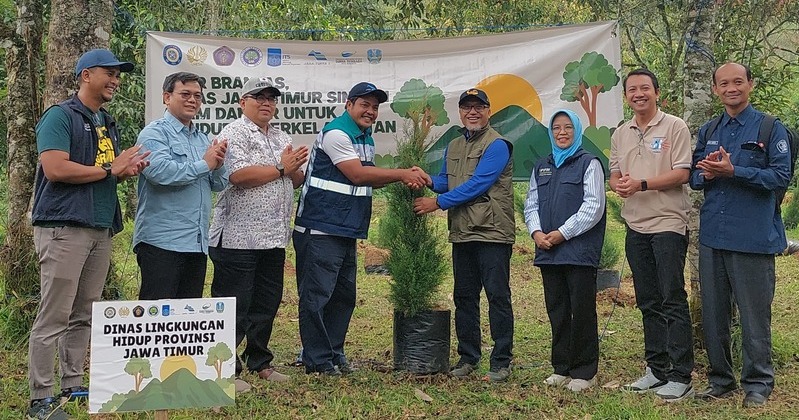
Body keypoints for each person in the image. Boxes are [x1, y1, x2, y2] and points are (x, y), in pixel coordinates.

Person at [28, 49, 148, 419]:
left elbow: (105, 171)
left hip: (100, 227)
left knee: (84, 312)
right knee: (54, 315)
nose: (115, 80)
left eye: (118, 75)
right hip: (65, 227)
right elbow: (55, 168)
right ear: (85, 75)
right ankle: (41, 398)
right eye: (108, 73)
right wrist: (111, 169)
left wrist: (124, 171)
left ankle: (71, 384)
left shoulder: (106, 121)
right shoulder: (60, 116)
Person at [293, 82, 427, 376]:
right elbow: (357, 175)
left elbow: (368, 179)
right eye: (364, 105)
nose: (370, 111)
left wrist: (404, 177)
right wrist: (402, 174)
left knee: (343, 296)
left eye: (375, 107)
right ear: (349, 105)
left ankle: (334, 352)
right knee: (317, 296)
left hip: (346, 228)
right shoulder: (337, 134)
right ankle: (316, 359)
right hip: (320, 227)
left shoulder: (365, 136)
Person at [690, 62, 791, 407]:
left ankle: (758, 384)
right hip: (713, 236)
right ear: (715, 89)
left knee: (753, 315)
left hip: (752, 237)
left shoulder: (769, 128)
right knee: (714, 314)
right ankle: (720, 380)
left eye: (737, 82)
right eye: (723, 84)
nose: (731, 88)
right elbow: (694, 176)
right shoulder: (709, 129)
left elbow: (780, 177)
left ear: (750, 84)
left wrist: (735, 170)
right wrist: (708, 173)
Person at [208, 77, 308, 388]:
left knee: (266, 301)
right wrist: (281, 168)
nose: (266, 103)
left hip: (274, 236)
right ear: (243, 102)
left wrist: (293, 169)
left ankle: (259, 360)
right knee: (234, 304)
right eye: (259, 97)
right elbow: (238, 176)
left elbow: (294, 177)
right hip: (238, 236)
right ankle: (226, 368)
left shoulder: (281, 135)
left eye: (271, 98)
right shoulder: (233, 133)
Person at [413, 88, 515, 383]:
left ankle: (501, 361)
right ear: (460, 112)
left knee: (497, 296)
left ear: (488, 111)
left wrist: (436, 203)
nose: (473, 112)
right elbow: (448, 181)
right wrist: (428, 180)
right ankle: (468, 357)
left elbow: (478, 184)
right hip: (463, 232)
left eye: (478, 107)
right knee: (464, 296)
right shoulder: (454, 145)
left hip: (492, 232)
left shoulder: (498, 145)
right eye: (467, 107)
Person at [609, 68, 695, 402]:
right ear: (626, 96)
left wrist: (642, 184)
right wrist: (619, 185)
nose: (639, 94)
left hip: (669, 223)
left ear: (657, 92)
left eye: (645, 88)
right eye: (632, 89)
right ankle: (656, 369)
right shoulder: (621, 133)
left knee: (672, 296)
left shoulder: (675, 126)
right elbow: (615, 174)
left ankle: (681, 375)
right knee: (647, 300)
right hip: (636, 225)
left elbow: (682, 173)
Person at [524, 109, 605, 392]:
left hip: (579, 252)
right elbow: (531, 203)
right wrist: (536, 232)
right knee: (557, 310)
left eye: (568, 127)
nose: (562, 133)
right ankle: (561, 367)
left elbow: (594, 206)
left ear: (577, 130)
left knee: (581, 311)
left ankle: (584, 372)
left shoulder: (589, 163)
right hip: (548, 251)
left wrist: (562, 233)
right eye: (556, 128)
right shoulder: (541, 166)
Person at [133, 71, 229, 300]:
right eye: (185, 94)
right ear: (167, 97)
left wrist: (218, 166)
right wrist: (205, 164)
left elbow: (218, 184)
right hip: (161, 242)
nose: (192, 100)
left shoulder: (202, 138)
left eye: (197, 96)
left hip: (196, 243)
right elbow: (160, 173)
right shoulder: (154, 133)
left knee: (187, 316)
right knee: (156, 314)